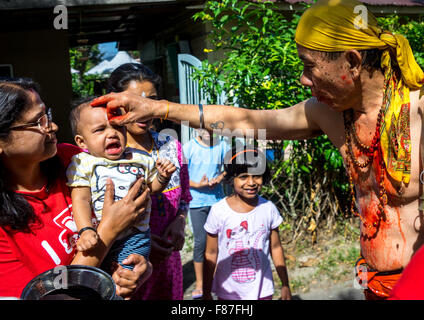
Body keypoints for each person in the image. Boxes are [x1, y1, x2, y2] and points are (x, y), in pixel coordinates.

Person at [90, 0, 424, 300]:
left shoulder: (419, 112)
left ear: (351, 61)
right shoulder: (329, 113)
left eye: (310, 66)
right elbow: (245, 121)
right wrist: (160, 108)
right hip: (372, 283)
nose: (304, 79)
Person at [0, 78, 151, 299]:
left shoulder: (73, 160)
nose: (53, 126)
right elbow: (49, 297)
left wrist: (140, 266)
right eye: (38, 121)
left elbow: (131, 221)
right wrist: (108, 231)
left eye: (47, 115)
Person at [106, 63, 192, 300]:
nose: (143, 109)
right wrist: (141, 245)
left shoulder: (171, 147)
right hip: (126, 268)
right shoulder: (105, 156)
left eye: (151, 100)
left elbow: (184, 196)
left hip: (168, 266)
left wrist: (180, 222)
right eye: (133, 100)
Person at [66, 100, 176, 273]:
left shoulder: (140, 158)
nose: (112, 134)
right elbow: (80, 199)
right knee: (97, 280)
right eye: (100, 130)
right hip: (100, 236)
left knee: (123, 278)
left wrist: (163, 177)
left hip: (136, 236)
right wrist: (86, 230)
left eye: (119, 127)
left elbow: (153, 189)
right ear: (82, 142)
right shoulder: (82, 163)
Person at [202, 147, 291, 300]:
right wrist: (206, 291)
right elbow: (211, 253)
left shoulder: (268, 209)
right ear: (231, 179)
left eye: (257, 176)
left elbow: (275, 247)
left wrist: (285, 285)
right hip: (228, 292)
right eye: (243, 177)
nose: (251, 182)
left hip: (263, 291)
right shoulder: (218, 211)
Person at [183, 128, 229, 299]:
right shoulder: (188, 148)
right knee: (201, 242)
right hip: (196, 203)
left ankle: (217, 280)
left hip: (217, 202)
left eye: (212, 127)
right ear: (196, 128)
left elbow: (229, 168)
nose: (208, 131)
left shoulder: (222, 146)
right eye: (204, 127)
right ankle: (201, 283)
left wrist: (220, 177)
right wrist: (197, 185)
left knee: (221, 242)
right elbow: (181, 176)